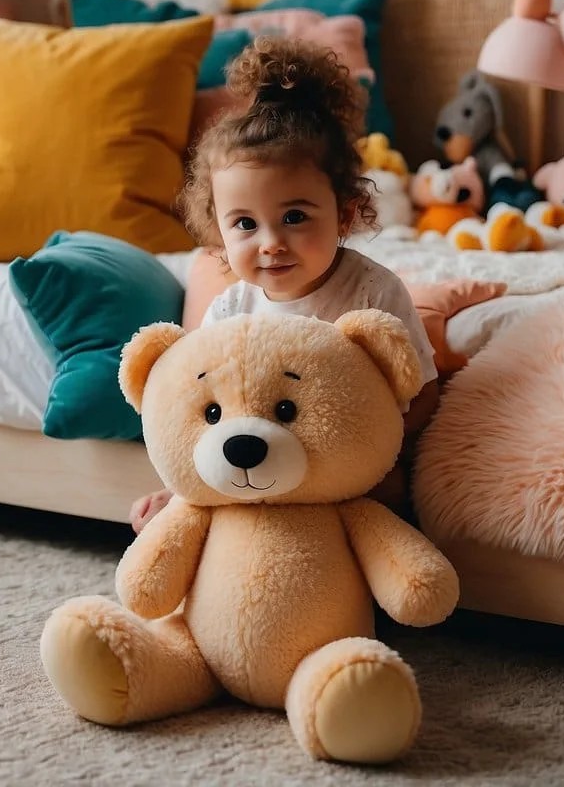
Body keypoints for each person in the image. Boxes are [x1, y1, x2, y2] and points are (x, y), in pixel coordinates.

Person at [129, 35, 436, 533]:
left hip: (341, 473)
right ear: (219, 227)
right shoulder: (231, 309)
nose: (270, 243)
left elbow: (420, 393)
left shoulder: (371, 293)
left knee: (391, 495)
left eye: (294, 216)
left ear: (344, 213)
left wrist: (360, 449)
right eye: (245, 224)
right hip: (250, 467)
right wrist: (184, 484)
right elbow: (204, 410)